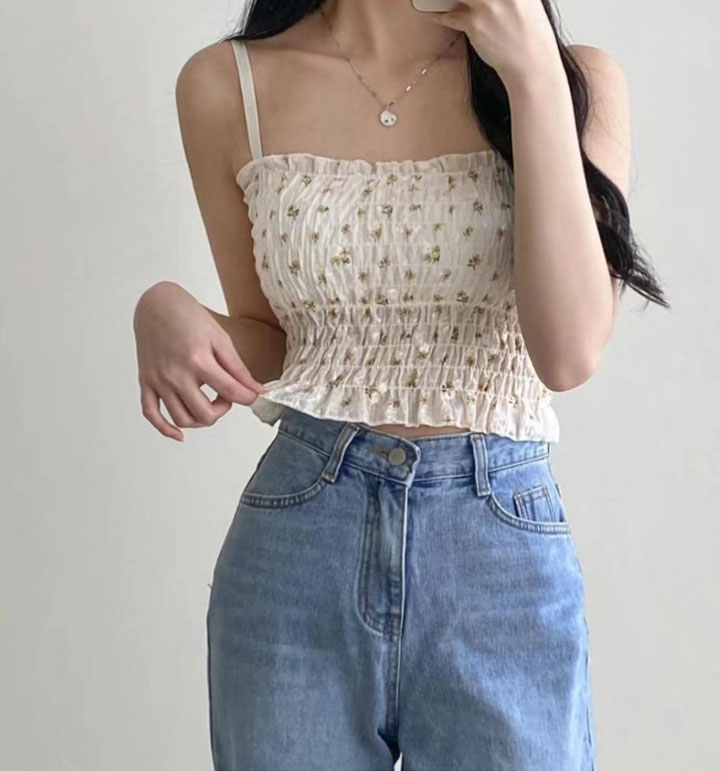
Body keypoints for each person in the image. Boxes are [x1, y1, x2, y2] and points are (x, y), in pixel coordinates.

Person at [133, 1, 667, 768]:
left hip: (497, 561)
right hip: (296, 552)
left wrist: (531, 73)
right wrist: (166, 310)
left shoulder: (577, 78)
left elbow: (570, 351)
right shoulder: (226, 85)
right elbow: (281, 343)